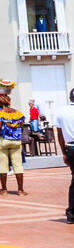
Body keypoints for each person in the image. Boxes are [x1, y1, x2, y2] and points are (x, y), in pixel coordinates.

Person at [0, 84, 26, 196]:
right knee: (18, 166)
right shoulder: (18, 113)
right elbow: (22, 126)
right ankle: (20, 190)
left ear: (0, 103)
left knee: (3, 165)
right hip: (16, 142)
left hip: (3, 141)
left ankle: (4, 189)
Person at [56, 91, 74, 223]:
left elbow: (60, 135)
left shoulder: (62, 112)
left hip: (71, 147)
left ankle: (71, 214)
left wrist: (64, 152)